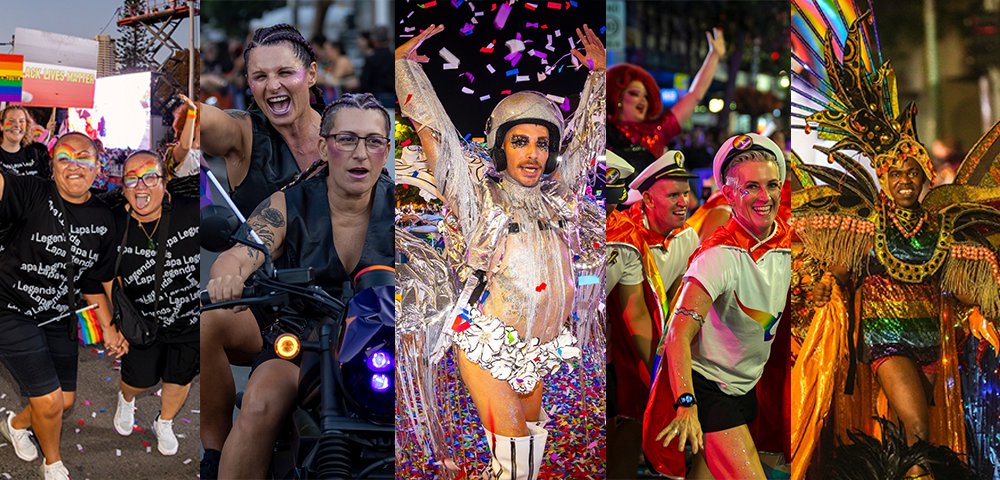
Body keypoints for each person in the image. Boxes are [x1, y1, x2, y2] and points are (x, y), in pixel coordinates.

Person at [789, 10, 1000, 478]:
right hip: (887, 344)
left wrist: (986, 310)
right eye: (895, 174)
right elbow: (839, 271)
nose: (904, 181)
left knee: (907, 437)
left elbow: (965, 289)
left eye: (912, 173)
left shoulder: (944, 227)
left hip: (933, 346)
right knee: (919, 428)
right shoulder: (865, 224)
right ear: (883, 181)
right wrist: (825, 283)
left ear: (926, 179)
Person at [395, 23, 604, 479]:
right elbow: (438, 138)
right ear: (501, 146)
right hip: (486, 344)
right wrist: (405, 70)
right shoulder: (477, 196)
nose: (532, 154)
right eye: (520, 141)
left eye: (542, 144)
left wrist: (600, 79)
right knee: (516, 464)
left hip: (538, 348)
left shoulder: (558, 194)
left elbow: (587, 145)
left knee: (524, 463)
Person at [206, 93, 393, 480]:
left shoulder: (402, 207)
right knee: (259, 405)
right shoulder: (288, 203)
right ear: (324, 147)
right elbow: (243, 251)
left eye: (373, 141)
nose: (361, 153)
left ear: (386, 150)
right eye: (347, 139)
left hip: (382, 344)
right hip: (304, 340)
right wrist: (230, 273)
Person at [198, 23, 328, 476]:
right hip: (269, 312)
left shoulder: (348, 135)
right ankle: (212, 455)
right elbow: (208, 123)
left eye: (285, 72)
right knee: (209, 319)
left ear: (310, 74)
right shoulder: (245, 134)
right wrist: (182, 114)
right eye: (258, 76)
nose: (271, 85)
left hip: (341, 311)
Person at [644, 133, 789, 479]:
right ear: (728, 194)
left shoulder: (789, 244)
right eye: (750, 187)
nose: (764, 197)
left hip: (746, 384)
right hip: (707, 387)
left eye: (771, 185)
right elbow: (677, 335)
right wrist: (687, 404)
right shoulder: (718, 255)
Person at [0, 132, 117, 480]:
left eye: (84, 158)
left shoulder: (103, 217)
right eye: (65, 157)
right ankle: (53, 464)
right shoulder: (33, 192)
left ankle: (14, 424)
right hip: (10, 308)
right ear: (53, 166)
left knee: (62, 402)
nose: (75, 164)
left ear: (98, 167)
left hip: (59, 315)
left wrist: (109, 328)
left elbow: (94, 281)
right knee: (49, 401)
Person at [88, 151, 200, 457]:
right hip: (140, 322)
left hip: (192, 322)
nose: (141, 186)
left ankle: (164, 422)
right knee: (138, 380)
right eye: (132, 179)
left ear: (165, 183)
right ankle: (127, 401)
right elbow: (99, 276)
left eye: (150, 177)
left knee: (180, 378)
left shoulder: (193, 210)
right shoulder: (113, 223)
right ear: (122, 186)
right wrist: (115, 324)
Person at [604, 150, 659, 480]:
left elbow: (635, 310)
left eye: (611, 203)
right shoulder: (551, 221)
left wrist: (657, 373)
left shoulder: (625, 236)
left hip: (602, 360)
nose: (605, 212)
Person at [607, 28, 725, 168]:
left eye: (645, 96)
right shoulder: (602, 130)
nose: (642, 100)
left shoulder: (657, 131)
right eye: (634, 93)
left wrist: (714, 56)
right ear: (617, 97)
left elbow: (695, 95)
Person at [0, 105, 52, 178]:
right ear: (1, 125)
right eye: (11, 121)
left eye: (21, 121)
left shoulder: (37, 153)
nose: (17, 125)